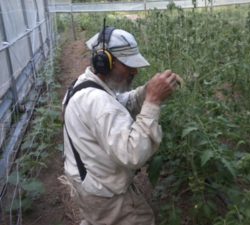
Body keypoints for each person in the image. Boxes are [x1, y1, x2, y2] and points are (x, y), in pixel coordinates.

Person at [60, 26, 182, 225]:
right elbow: (133, 153)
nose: (134, 71)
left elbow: (119, 102)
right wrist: (153, 102)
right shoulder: (98, 103)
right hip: (104, 194)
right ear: (105, 63)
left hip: (87, 181)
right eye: (128, 65)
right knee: (142, 219)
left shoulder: (83, 84)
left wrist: (146, 91)